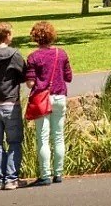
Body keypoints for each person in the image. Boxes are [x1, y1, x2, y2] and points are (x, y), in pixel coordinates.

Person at [25, 21, 73, 186]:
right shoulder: (62, 53)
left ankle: (45, 175)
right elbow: (68, 77)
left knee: (43, 138)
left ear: (36, 37)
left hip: (42, 99)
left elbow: (30, 83)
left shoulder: (33, 57)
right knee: (58, 136)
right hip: (60, 97)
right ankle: (58, 173)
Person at [0, 22, 26, 190]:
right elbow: (23, 73)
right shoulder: (14, 54)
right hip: (10, 103)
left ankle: (0, 179)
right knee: (14, 141)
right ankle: (11, 178)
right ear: (7, 35)